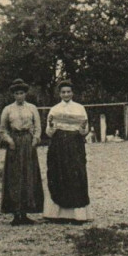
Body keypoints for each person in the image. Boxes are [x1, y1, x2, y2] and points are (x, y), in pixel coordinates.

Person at [44, 80, 92, 222]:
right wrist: (51, 127)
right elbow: (49, 132)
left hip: (75, 146)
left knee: (76, 175)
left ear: (72, 93)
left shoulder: (80, 108)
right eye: (63, 92)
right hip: (58, 146)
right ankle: (58, 214)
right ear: (59, 94)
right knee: (58, 174)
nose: (66, 94)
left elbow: (85, 131)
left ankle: (78, 214)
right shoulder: (54, 109)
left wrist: (83, 128)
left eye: (68, 92)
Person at [0, 79, 44, 225]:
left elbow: (37, 126)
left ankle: (25, 212)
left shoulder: (32, 108)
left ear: (25, 94)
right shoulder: (8, 109)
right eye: (17, 93)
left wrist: (35, 140)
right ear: (13, 95)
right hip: (14, 142)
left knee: (28, 175)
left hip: (27, 141)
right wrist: (9, 141)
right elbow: (2, 129)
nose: (19, 96)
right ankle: (15, 213)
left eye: (22, 93)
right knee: (14, 176)